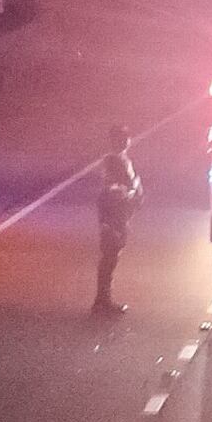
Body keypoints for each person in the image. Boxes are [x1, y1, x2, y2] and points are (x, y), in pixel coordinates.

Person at [92, 126, 142, 316]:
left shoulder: (122, 159)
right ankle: (102, 301)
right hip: (113, 215)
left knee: (112, 257)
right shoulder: (112, 161)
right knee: (109, 258)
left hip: (120, 214)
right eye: (123, 138)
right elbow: (112, 190)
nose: (126, 141)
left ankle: (103, 300)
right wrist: (106, 222)